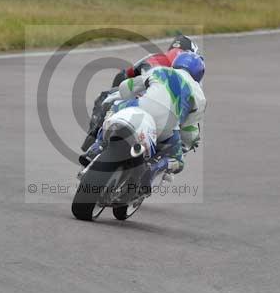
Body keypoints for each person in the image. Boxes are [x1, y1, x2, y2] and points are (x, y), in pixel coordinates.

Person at [80, 52, 206, 192]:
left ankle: (97, 147)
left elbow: (126, 87)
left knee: (113, 108)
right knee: (178, 161)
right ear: (199, 74)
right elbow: (190, 130)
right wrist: (188, 143)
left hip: (141, 109)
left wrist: (130, 96)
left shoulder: (159, 70)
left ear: (175, 62)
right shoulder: (200, 96)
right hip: (167, 128)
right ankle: (153, 169)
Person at [82, 34, 201, 151]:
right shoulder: (193, 84)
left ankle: (93, 138)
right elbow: (191, 118)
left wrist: (120, 91)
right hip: (165, 117)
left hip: (137, 99)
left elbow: (124, 75)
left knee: (106, 98)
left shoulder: (154, 57)